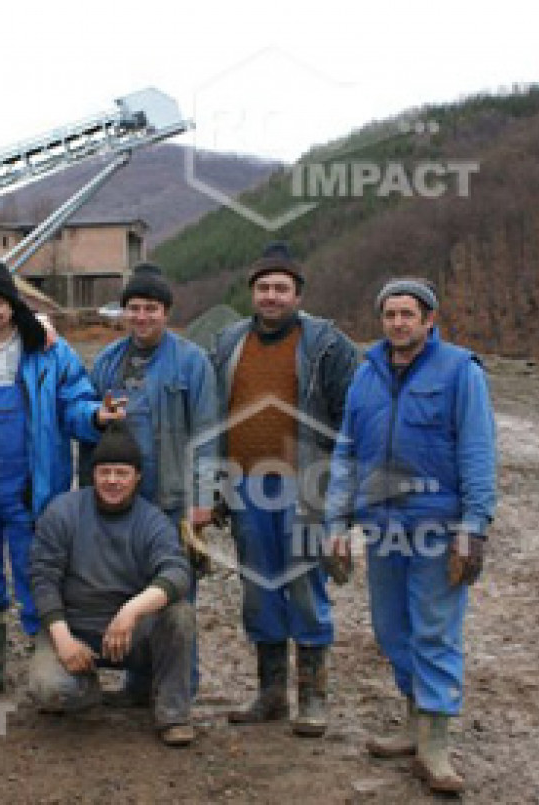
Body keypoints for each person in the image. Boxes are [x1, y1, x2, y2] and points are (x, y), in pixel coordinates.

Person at [324, 278, 496, 794]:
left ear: (429, 320)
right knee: (391, 628)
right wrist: (335, 522)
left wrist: (474, 528)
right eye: (390, 314)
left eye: (408, 314)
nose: (398, 322)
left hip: (437, 530)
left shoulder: (460, 373)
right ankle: (412, 723)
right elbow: (346, 452)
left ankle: (436, 746)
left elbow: (477, 450)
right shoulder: (367, 376)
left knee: (435, 632)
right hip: (382, 528)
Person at [0, 256, 121, 699]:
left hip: (30, 487)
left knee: (38, 571)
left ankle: (48, 653)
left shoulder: (46, 350)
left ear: (13, 307)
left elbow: (74, 403)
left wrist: (96, 417)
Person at [209, 241, 360, 735]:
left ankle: (313, 697)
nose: (272, 296)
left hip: (304, 488)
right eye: (263, 288)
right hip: (245, 486)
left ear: (298, 294)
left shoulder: (327, 345)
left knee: (303, 585)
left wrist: (341, 492)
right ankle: (271, 693)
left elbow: (350, 419)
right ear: (251, 292)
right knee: (258, 588)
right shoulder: (229, 342)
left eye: (282, 288)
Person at [83, 262, 217, 703]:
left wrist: (202, 500)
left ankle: (178, 689)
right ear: (124, 313)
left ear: (166, 312)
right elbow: (91, 439)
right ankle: (137, 684)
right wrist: (87, 499)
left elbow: (207, 433)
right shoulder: (106, 363)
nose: (142, 317)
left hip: (174, 503)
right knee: (127, 590)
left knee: (175, 596)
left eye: (151, 308)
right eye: (134, 308)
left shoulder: (192, 362)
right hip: (120, 505)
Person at [28, 422, 197, 746]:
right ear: (93, 475)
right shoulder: (62, 512)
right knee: (50, 691)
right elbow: (43, 578)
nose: (112, 481)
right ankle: (84, 686)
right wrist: (62, 639)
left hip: (130, 632)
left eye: (121, 473)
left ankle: (172, 714)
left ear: (137, 477)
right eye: (105, 472)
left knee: (179, 615)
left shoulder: (153, 521)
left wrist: (131, 611)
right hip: (74, 629)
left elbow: (177, 572)